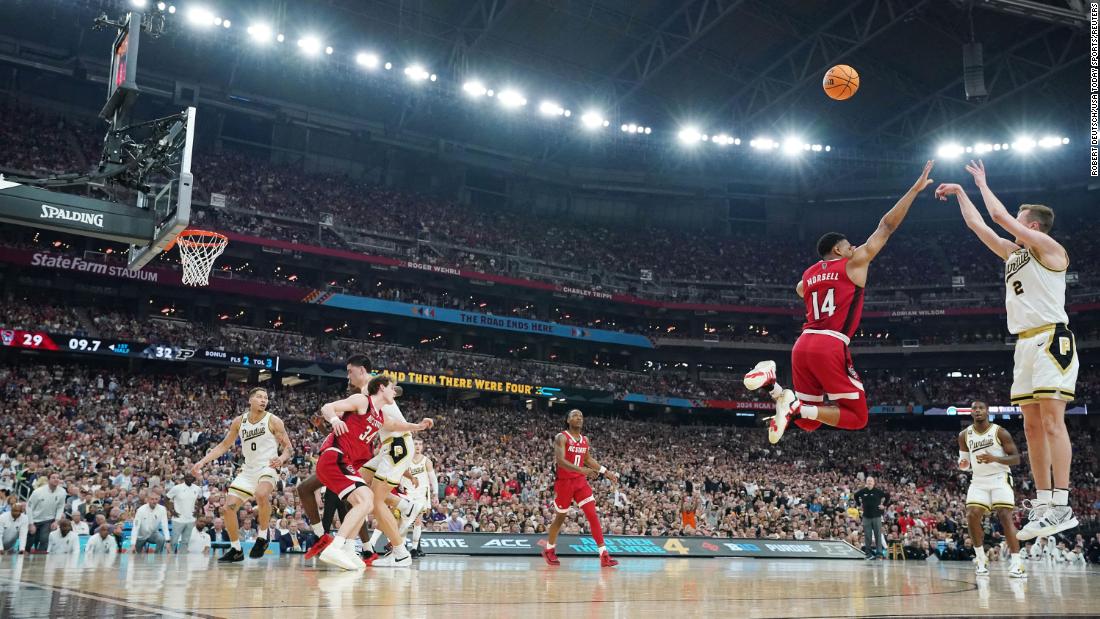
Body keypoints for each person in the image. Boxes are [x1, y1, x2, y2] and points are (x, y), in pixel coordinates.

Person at [744, 161, 936, 443]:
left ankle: (774, 386)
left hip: (803, 345)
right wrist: (915, 189)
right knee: (858, 418)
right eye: (849, 246)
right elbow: (886, 225)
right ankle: (791, 402)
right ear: (837, 249)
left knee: (809, 422)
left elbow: (801, 290)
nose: (855, 248)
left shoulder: (808, 275)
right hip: (829, 344)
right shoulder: (854, 264)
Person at [937, 161, 1078, 540]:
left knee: (1051, 422)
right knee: (1031, 427)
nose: (1011, 220)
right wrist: (964, 195)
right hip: (1024, 343)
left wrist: (981, 181)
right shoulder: (1014, 255)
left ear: (1031, 226)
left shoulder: (1050, 249)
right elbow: (979, 225)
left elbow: (997, 215)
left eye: (1020, 218)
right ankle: (1045, 502)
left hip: (1051, 338)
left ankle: (1062, 502)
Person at [313, 365, 431, 570]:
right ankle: (343, 546)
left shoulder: (379, 416)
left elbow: (397, 426)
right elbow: (327, 407)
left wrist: (418, 426)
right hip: (336, 456)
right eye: (391, 387)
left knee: (368, 500)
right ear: (381, 388)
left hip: (354, 458)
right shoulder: (362, 400)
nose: (395, 390)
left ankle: (354, 548)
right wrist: (333, 419)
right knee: (368, 499)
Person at [191, 386, 294, 562]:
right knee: (227, 509)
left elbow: (288, 447)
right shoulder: (239, 421)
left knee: (261, 494)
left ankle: (262, 538)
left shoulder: (273, 420)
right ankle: (236, 549)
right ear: (250, 400)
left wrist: (282, 458)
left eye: (266, 398)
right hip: (248, 470)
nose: (264, 400)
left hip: (268, 466)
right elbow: (224, 446)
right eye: (260, 397)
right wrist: (202, 461)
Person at [542, 409, 619, 568]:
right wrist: (582, 470)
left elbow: (588, 459)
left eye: (581, 416)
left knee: (592, 515)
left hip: (580, 483)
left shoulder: (585, 440)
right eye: (575, 415)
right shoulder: (561, 437)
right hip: (564, 483)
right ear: (568, 420)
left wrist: (606, 472)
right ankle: (549, 549)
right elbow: (561, 461)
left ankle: (604, 555)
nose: (579, 418)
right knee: (560, 518)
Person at [958, 400, 1026, 578]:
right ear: (971, 412)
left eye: (981, 408)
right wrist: (964, 464)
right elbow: (964, 463)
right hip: (978, 480)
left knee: (1004, 515)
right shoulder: (964, 435)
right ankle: (981, 559)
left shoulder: (1000, 432)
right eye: (975, 408)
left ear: (987, 411)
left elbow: (1016, 459)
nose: (978, 411)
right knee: (971, 515)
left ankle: (1017, 563)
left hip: (999, 478)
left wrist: (994, 458)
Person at [395, 438, 437, 559]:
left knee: (418, 521)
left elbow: (433, 479)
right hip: (408, 492)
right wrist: (400, 485)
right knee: (404, 521)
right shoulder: (406, 460)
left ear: (422, 446)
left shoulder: (426, 461)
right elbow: (399, 473)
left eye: (420, 444)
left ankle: (414, 548)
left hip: (421, 493)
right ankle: (401, 547)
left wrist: (435, 494)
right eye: (415, 444)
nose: (418, 446)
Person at [26, 472, 66, 552]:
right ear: (48, 480)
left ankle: (41, 560)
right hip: (34, 520)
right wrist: (31, 524)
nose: (56, 479)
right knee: (29, 542)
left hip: (48, 520)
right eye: (53, 477)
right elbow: (29, 507)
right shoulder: (38, 492)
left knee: (44, 540)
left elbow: (60, 507)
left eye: (58, 478)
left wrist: (56, 521)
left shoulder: (62, 492)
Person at [853, 476, 889, 560]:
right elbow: (855, 495)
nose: (869, 482)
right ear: (866, 482)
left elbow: (887, 496)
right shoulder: (863, 491)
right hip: (866, 517)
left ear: (873, 483)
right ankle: (868, 553)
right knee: (867, 536)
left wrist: (884, 505)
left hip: (876, 516)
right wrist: (858, 504)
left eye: (871, 481)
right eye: (868, 481)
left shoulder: (877, 491)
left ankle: (879, 553)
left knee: (878, 535)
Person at [167, 474, 201, 553]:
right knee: (174, 541)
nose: (189, 478)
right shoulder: (177, 488)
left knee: (185, 541)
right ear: (184, 478)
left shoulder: (197, 488)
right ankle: (170, 559)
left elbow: (200, 499)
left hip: (191, 519)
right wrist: (171, 511)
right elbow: (166, 498)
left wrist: (197, 510)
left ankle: (182, 560)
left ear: (193, 479)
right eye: (187, 477)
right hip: (178, 519)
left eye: (191, 477)